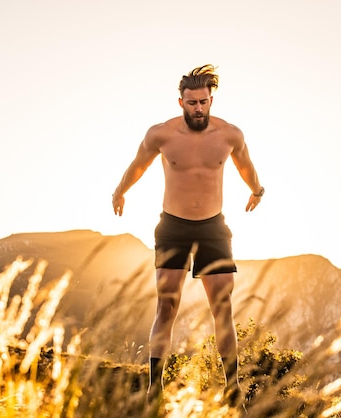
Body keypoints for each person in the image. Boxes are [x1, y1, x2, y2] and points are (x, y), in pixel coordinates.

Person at [111, 65, 264, 407]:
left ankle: (233, 389)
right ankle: (156, 387)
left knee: (221, 308)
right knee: (166, 305)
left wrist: (257, 189)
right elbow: (139, 164)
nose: (198, 108)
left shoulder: (230, 135)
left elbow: (245, 165)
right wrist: (120, 191)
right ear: (180, 101)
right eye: (192, 102)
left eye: (204, 102)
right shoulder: (161, 134)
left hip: (213, 228)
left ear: (212, 100)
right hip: (173, 228)